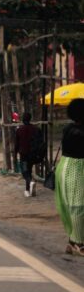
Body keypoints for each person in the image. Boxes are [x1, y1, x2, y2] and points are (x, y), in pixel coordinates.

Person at [55, 99, 84, 256]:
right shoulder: (78, 132)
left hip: (66, 166)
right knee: (78, 205)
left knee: (73, 205)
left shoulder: (68, 128)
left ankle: (73, 241)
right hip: (76, 168)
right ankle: (79, 243)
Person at [15, 112, 41, 197]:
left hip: (24, 154)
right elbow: (40, 142)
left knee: (25, 171)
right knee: (29, 170)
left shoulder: (19, 130)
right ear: (30, 119)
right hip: (33, 154)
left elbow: (17, 144)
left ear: (23, 119)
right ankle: (27, 190)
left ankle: (30, 182)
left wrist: (15, 155)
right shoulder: (36, 129)